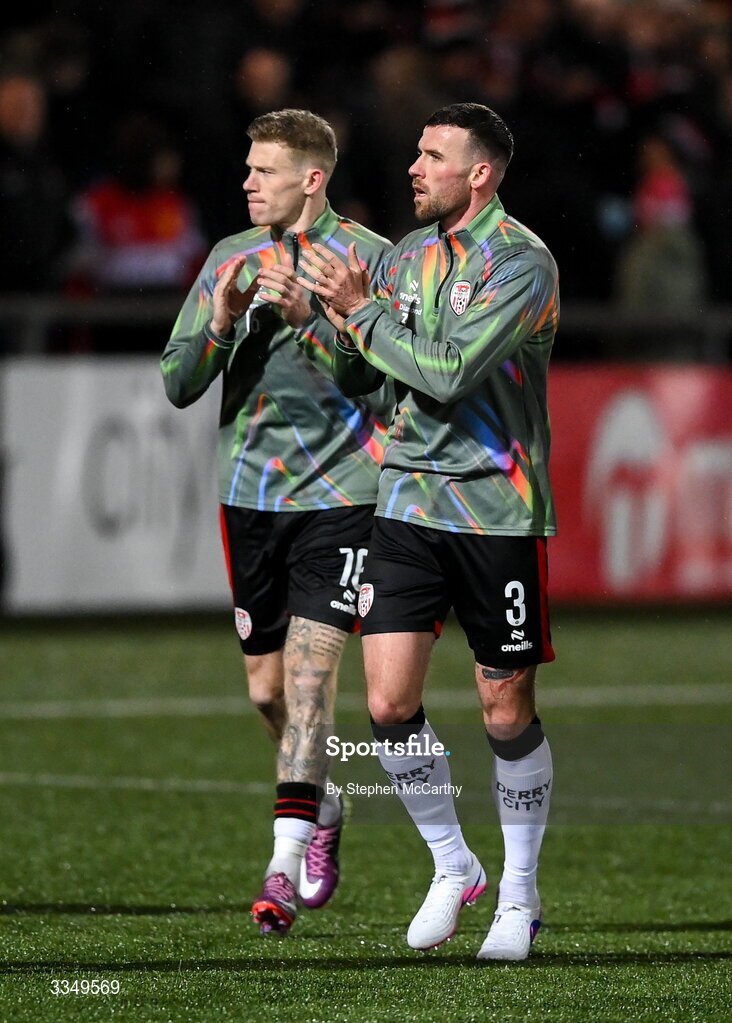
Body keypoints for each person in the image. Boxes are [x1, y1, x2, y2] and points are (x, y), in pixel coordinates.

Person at [298, 102, 558, 962]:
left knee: (503, 706)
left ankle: (519, 894)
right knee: (386, 702)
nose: (414, 166)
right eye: (415, 151)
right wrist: (327, 318)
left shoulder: (521, 263)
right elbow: (373, 379)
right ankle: (456, 864)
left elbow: (447, 373)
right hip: (407, 500)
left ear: (479, 172)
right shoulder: (406, 258)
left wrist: (362, 314)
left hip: (495, 505)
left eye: (433, 154)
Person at [160, 109, 392, 935]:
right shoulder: (229, 258)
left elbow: (391, 387)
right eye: (249, 168)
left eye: (265, 170)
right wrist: (222, 323)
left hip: (342, 498)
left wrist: (319, 326)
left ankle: (281, 869)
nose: (248, 182)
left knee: (309, 678)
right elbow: (180, 383)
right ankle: (323, 805)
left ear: (312, 178)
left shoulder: (372, 259)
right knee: (267, 690)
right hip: (249, 497)